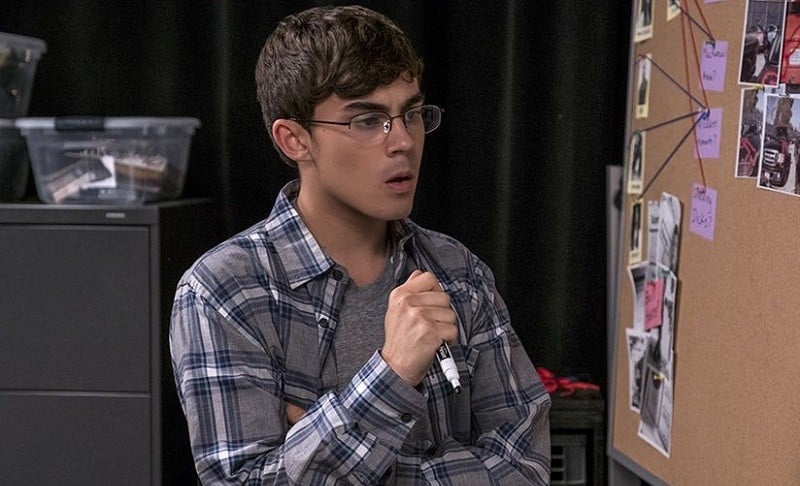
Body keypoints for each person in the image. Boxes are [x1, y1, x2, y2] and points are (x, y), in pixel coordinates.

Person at [170, 5, 551, 485]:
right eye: (368, 120)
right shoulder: (224, 292)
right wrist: (392, 373)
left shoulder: (459, 274)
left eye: (411, 113)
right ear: (294, 140)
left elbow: (526, 468)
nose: (403, 142)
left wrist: (324, 454)